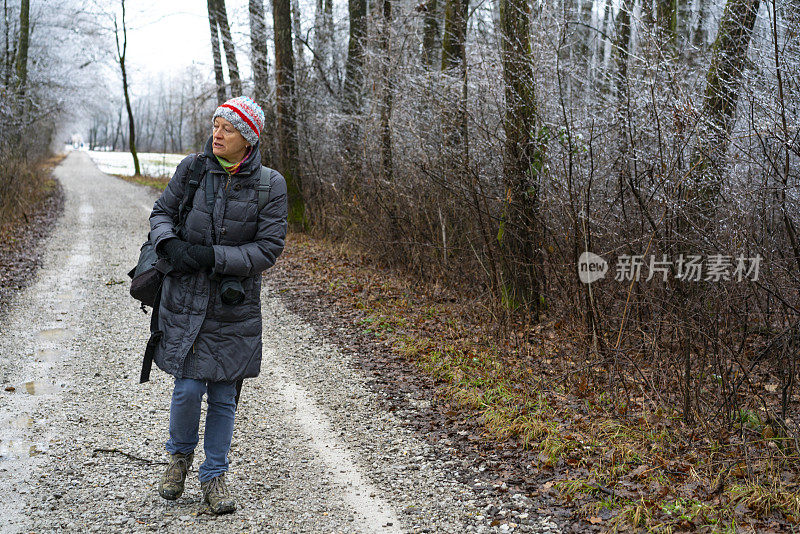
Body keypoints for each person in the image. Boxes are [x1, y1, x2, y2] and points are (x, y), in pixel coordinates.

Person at [147, 95, 288, 514]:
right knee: (188, 388)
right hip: (186, 299)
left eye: (227, 127)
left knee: (225, 395)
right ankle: (178, 457)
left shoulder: (270, 185)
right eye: (215, 124)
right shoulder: (192, 170)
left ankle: (215, 476)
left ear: (248, 138)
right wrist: (169, 242)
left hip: (234, 306)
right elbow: (161, 213)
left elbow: (268, 248)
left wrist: (214, 257)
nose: (217, 133)